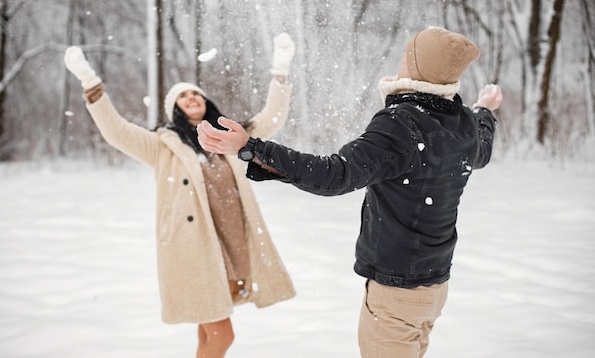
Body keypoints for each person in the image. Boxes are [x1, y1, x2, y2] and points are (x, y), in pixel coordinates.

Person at [196, 27, 503, 358]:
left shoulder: (402, 123)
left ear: (418, 66)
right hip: (433, 289)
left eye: (406, 56)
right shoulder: (462, 124)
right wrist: (484, 110)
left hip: (397, 292)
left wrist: (251, 147)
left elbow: (335, 173)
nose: (400, 62)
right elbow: (482, 149)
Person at [63, 33, 297, 358]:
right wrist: (91, 84)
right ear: (174, 108)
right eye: (182, 95)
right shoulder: (163, 145)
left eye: (195, 93)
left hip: (230, 247)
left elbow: (272, 117)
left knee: (207, 332)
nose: (190, 97)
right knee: (222, 335)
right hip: (194, 251)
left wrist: (280, 69)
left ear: (206, 101)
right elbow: (116, 131)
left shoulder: (232, 137)